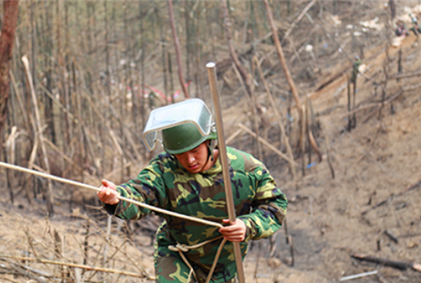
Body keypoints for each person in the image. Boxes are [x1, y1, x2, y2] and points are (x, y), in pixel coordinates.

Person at [97, 98, 287, 283]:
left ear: (209, 142)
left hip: (224, 262)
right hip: (177, 252)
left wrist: (248, 226)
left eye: (195, 151)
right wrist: (117, 198)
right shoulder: (165, 170)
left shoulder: (245, 170)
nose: (190, 160)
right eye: (180, 154)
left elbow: (275, 205)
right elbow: (140, 193)